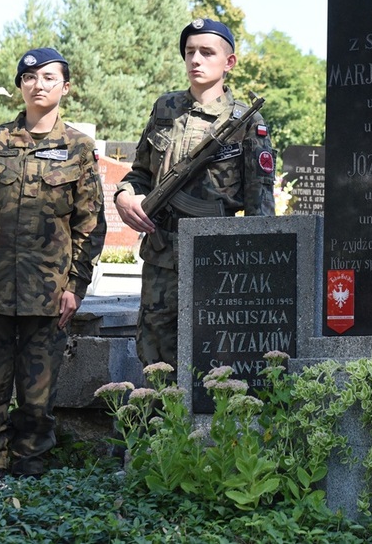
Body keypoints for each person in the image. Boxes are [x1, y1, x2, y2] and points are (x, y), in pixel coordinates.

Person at [0, 48, 106, 478]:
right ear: (20, 84)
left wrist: (75, 285)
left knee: (38, 395)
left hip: (49, 291)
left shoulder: (78, 147)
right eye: (30, 77)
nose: (38, 84)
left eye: (49, 77)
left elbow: (90, 223)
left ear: (66, 87)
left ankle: (30, 470)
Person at [114, 19, 275, 370]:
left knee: (215, 356)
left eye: (207, 52)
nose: (196, 60)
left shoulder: (246, 122)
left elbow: (260, 207)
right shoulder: (165, 109)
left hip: (218, 260)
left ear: (229, 62)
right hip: (161, 256)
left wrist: (251, 271)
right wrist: (125, 197)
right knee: (155, 356)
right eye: (190, 52)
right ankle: (157, 424)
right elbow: (139, 173)